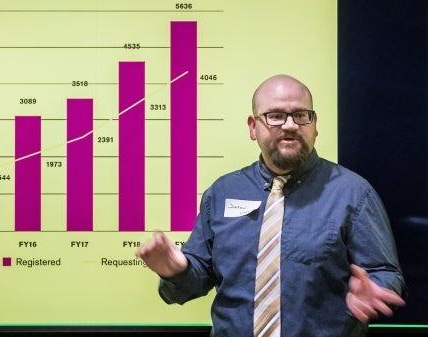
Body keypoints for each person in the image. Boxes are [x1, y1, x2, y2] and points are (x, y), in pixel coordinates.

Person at [136, 74, 406, 337]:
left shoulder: (353, 192)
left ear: (315, 124)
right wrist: (177, 271)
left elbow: (386, 273)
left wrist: (373, 289)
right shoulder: (222, 193)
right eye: (275, 116)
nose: (290, 125)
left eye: (301, 115)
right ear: (253, 127)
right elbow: (193, 282)